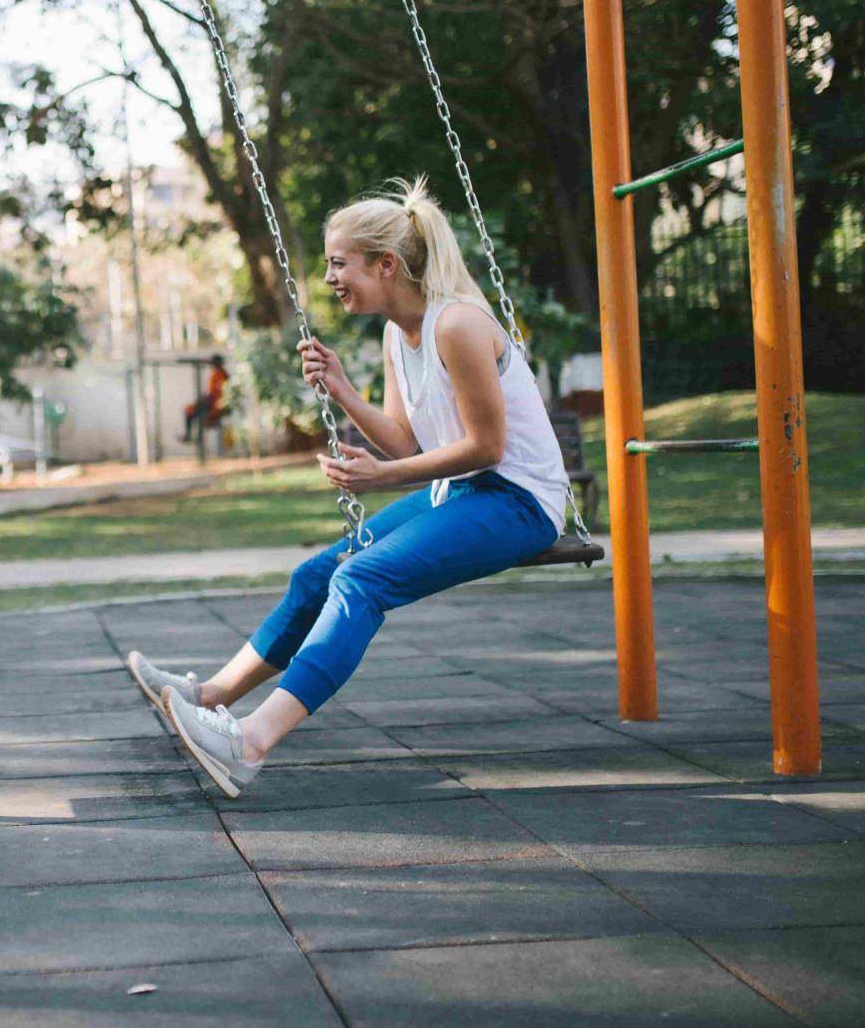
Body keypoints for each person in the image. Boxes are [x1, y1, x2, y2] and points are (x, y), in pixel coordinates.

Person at [127, 179, 569, 796]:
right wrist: (342, 389)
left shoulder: (459, 325)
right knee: (317, 574)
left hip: (518, 501)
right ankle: (209, 695)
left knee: (361, 578)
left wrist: (382, 478)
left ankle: (249, 743)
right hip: (465, 495)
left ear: (385, 264)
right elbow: (404, 442)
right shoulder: (397, 333)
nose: (331, 277)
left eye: (340, 263)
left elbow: (487, 448)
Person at [181, 354, 229, 443]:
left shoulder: (220, 374)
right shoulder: (219, 374)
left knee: (193, 413)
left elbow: (216, 393)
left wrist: (204, 400)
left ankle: (191, 437)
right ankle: (192, 437)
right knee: (190, 411)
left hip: (214, 405)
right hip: (213, 403)